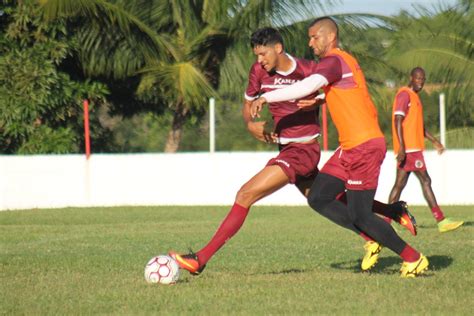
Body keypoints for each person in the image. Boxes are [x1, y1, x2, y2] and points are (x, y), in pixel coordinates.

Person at [169, 27, 416, 276]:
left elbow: (329, 90)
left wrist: (315, 99)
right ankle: (390, 213)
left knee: (245, 195)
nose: (259, 61)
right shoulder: (258, 71)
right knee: (325, 198)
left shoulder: (308, 69)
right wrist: (250, 124)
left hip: (304, 150)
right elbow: (248, 104)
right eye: (256, 55)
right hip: (286, 148)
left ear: (278, 48)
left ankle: (200, 259)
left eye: (263, 54)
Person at [250, 17, 428, 277]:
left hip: (364, 147)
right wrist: (320, 100)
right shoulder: (343, 61)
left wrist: (266, 96)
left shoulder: (333, 60)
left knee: (361, 215)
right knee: (318, 197)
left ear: (330, 36)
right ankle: (387, 219)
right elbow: (346, 91)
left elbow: (306, 85)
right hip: (349, 149)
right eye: (309, 38)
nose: (310, 43)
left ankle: (413, 258)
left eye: (314, 37)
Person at [388, 67, 464, 233]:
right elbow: (397, 120)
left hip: (411, 148)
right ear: (411, 77)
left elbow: (418, 127)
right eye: (418, 78)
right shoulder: (404, 94)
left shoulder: (414, 97)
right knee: (425, 180)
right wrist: (401, 147)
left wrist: (435, 141)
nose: (421, 82)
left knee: (399, 185)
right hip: (409, 149)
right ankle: (441, 220)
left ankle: (384, 223)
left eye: (423, 79)